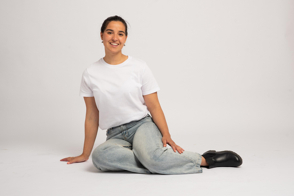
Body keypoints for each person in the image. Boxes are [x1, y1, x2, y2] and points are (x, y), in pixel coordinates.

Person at [60, 15, 243, 174]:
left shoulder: (139, 67)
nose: (115, 37)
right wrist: (85, 154)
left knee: (152, 158)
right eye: (109, 32)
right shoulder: (90, 73)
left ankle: (205, 159)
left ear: (125, 38)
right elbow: (92, 116)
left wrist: (166, 134)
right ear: (101, 35)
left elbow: (153, 105)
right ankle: (156, 161)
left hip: (141, 126)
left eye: (120, 33)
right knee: (99, 158)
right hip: (115, 135)